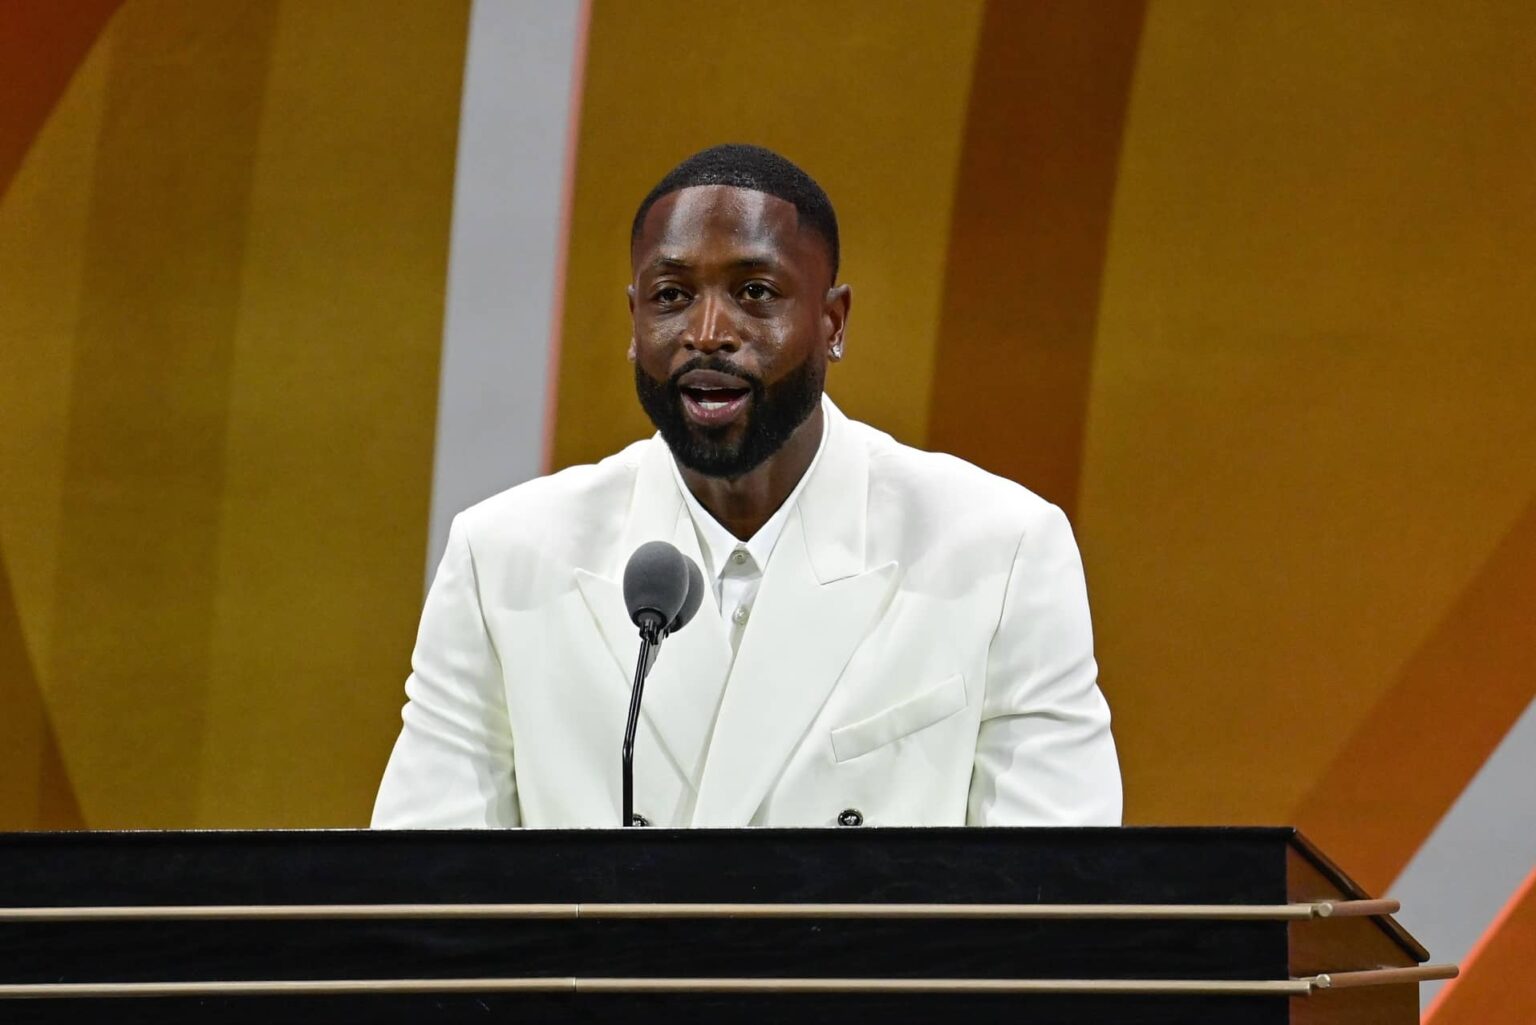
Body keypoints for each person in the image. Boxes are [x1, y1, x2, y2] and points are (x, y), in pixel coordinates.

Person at [372, 144, 1121, 829]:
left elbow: (1051, 908)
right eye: (671, 296)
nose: (707, 332)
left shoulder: (999, 550)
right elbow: (422, 900)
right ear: (634, 323)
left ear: (832, 321)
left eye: (755, 292)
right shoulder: (502, 558)